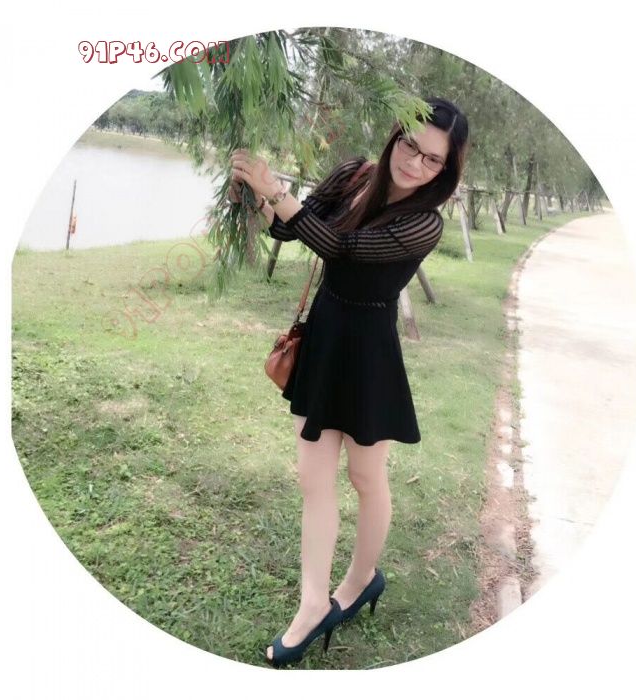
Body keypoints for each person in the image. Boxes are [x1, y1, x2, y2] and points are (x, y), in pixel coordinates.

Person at [229, 97, 469, 668]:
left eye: (433, 160)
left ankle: (361, 580)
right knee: (312, 478)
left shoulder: (424, 223)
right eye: (410, 145)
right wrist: (258, 195)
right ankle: (314, 602)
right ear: (396, 134)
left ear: (445, 170)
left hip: (369, 354)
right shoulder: (353, 174)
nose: (414, 163)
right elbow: (295, 230)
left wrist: (276, 190)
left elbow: (340, 248)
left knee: (366, 476)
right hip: (326, 336)